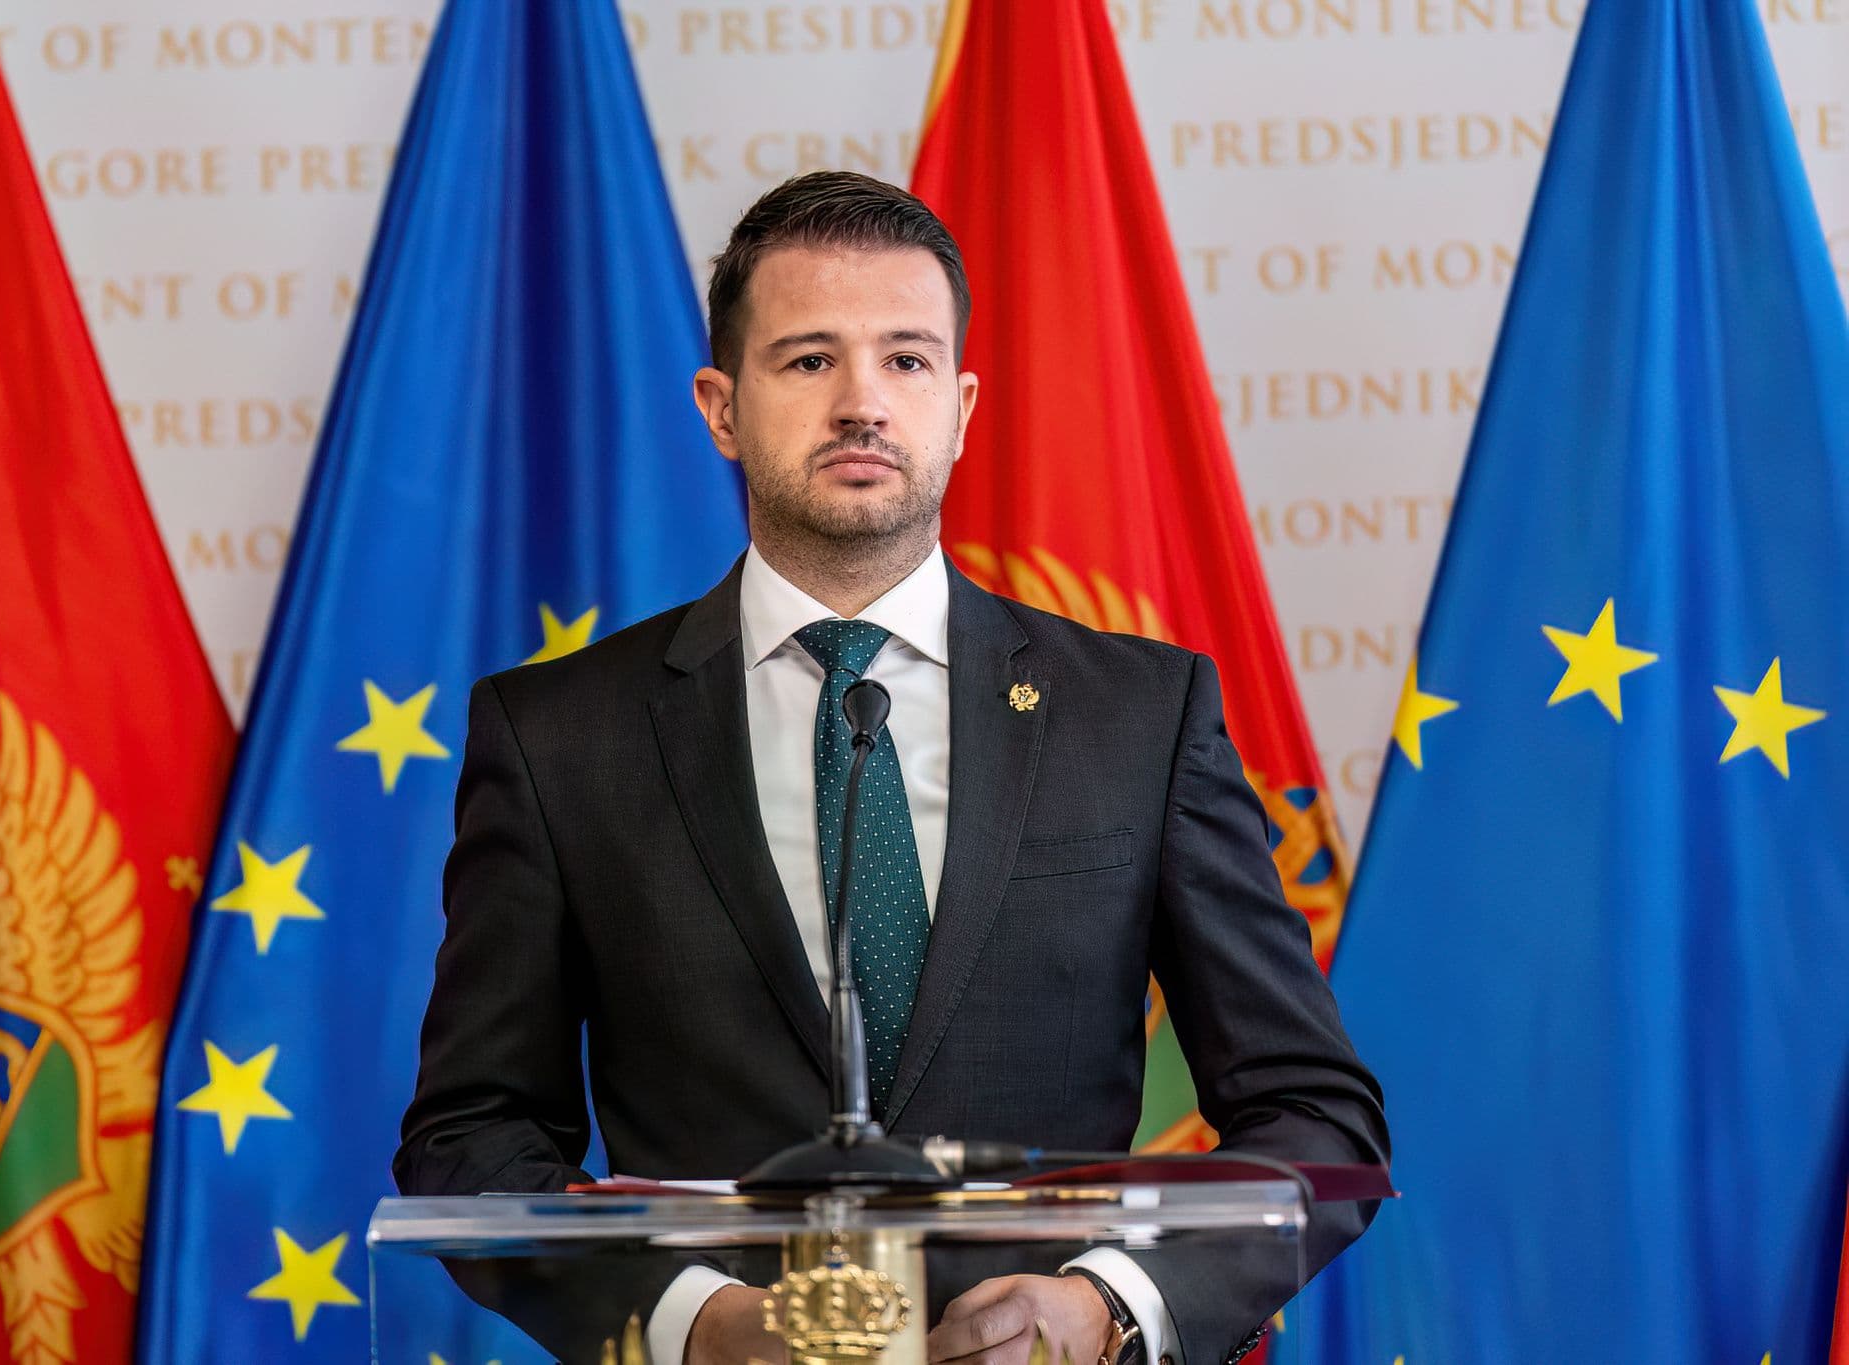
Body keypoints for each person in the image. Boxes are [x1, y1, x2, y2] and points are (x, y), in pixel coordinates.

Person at [395, 171, 1388, 1365]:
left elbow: (1316, 1122)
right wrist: (693, 1323)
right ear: (721, 407)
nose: (861, 403)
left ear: (959, 409)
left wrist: (1106, 1306)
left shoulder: (1140, 715)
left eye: (905, 360)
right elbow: (472, 1136)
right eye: (808, 360)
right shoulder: (557, 735)